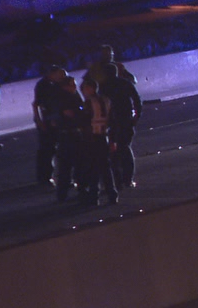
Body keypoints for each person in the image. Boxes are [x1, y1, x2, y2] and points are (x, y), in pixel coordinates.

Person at [98, 62, 143, 188]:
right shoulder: (125, 83)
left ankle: (117, 179)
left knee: (113, 151)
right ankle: (127, 178)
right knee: (125, 148)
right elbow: (136, 99)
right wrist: (137, 115)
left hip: (112, 121)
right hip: (125, 119)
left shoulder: (103, 87)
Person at [76, 77, 117, 206]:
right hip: (103, 136)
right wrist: (112, 139)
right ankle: (112, 194)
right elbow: (112, 120)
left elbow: (84, 120)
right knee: (105, 168)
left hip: (92, 138)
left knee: (93, 168)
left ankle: (94, 196)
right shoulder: (106, 100)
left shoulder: (89, 103)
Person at [32, 66, 67, 186]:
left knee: (52, 149)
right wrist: (40, 120)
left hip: (54, 119)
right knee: (47, 149)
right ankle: (45, 177)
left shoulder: (54, 84)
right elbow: (39, 104)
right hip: (49, 120)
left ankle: (48, 176)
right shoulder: (44, 86)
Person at [53, 75, 84, 203]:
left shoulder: (73, 95)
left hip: (72, 134)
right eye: (71, 84)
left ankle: (68, 192)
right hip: (68, 135)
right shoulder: (64, 98)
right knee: (68, 166)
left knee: (74, 165)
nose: (74, 87)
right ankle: (64, 193)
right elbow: (72, 114)